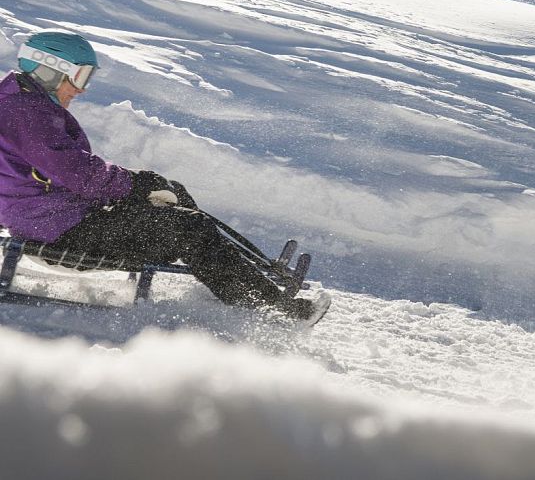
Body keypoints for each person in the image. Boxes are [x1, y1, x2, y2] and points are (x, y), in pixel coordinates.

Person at [0, 31, 329, 324]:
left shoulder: (24, 105)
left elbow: (68, 172)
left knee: (175, 197)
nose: (82, 90)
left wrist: (141, 186)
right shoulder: (26, 113)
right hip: (58, 230)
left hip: (60, 217)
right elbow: (80, 174)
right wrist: (135, 184)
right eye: (80, 77)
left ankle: (234, 276)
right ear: (49, 70)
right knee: (187, 227)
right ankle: (273, 309)